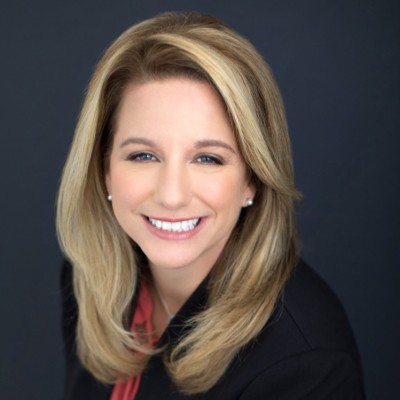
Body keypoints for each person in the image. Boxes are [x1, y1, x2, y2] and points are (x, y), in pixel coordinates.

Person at [57, 11, 365, 399]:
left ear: (252, 179)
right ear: (104, 169)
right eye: (143, 155)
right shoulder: (90, 277)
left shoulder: (306, 366)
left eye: (208, 159)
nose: (171, 195)